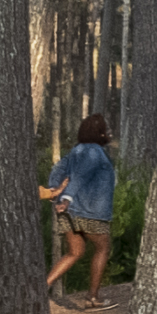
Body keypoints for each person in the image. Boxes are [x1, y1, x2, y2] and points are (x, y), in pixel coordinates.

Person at [48, 108, 117, 295]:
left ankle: (39, 289)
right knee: (103, 249)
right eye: (107, 129)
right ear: (99, 133)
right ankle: (92, 298)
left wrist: (55, 191)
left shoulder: (75, 151)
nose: (110, 132)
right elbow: (80, 176)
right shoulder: (95, 152)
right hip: (89, 211)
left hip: (68, 212)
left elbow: (57, 170)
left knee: (75, 253)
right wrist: (67, 198)